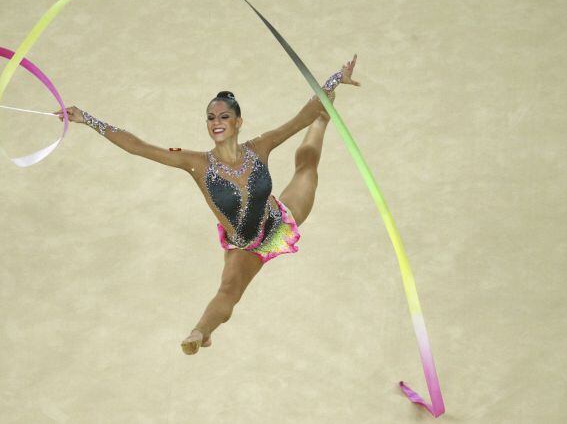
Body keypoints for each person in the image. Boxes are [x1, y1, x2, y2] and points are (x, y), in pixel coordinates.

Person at [55, 55, 360, 355]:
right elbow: (139, 147)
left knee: (307, 166)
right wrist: (87, 119)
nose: (216, 122)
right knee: (228, 293)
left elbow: (300, 117)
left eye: (224, 117)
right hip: (247, 247)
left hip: (279, 221)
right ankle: (200, 333)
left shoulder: (260, 146)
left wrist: (335, 81)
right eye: (211, 118)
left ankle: (325, 121)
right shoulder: (197, 163)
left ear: (238, 122)